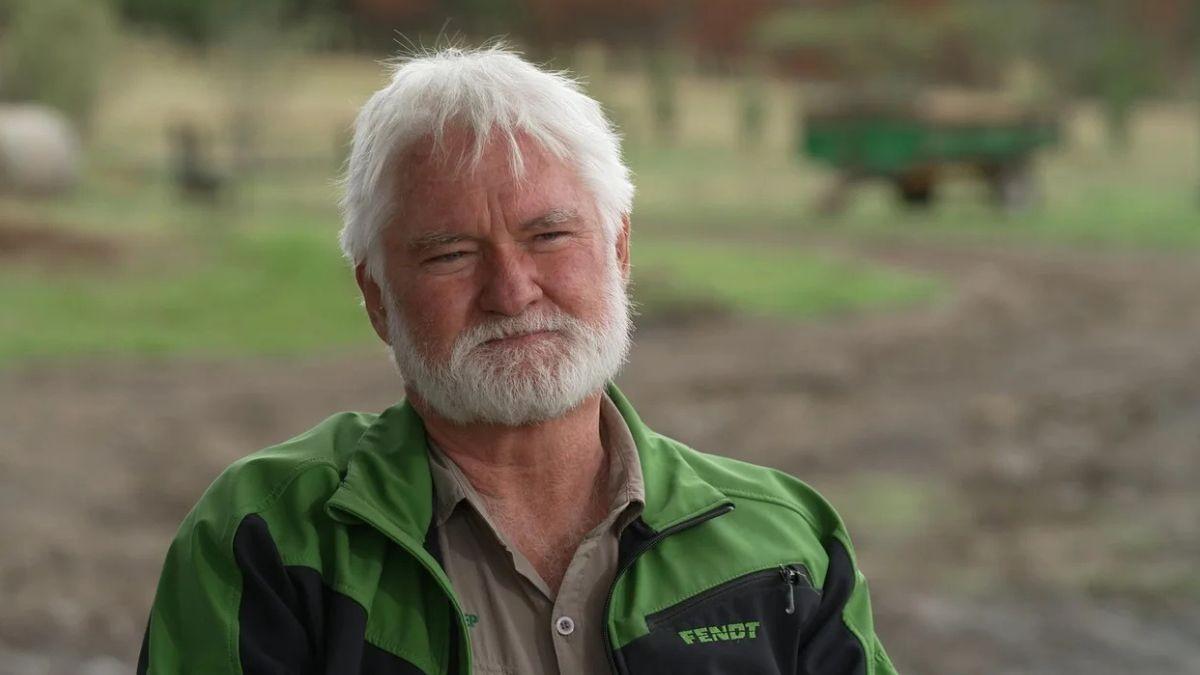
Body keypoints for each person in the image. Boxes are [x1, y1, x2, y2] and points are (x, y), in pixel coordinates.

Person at [138, 46, 896, 675]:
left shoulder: (785, 547)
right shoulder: (271, 539)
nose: (512, 291)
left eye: (550, 237)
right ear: (376, 297)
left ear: (620, 250)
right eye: (451, 253)